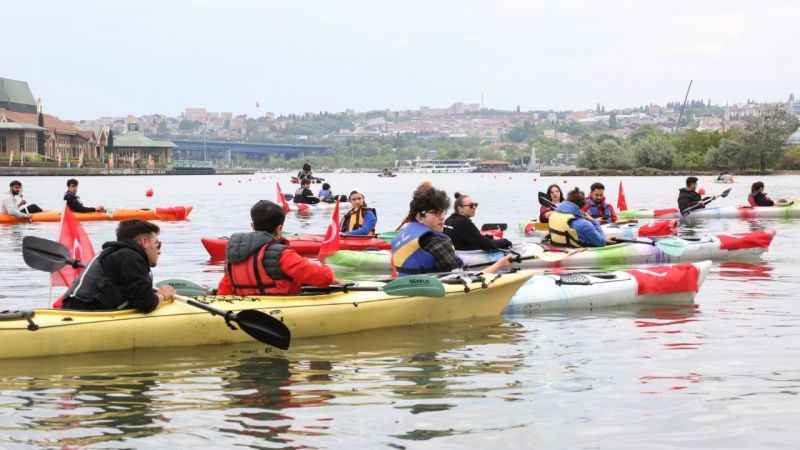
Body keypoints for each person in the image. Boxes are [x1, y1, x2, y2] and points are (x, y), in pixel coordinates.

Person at [216, 200, 336, 295]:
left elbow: (223, 291)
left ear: (252, 226)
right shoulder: (282, 254)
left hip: (244, 309)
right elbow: (325, 278)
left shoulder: (234, 255)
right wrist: (328, 270)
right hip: (280, 309)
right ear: (279, 229)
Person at [391, 185, 512, 276]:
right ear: (420, 216)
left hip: (405, 288)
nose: (442, 217)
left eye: (442, 212)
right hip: (429, 295)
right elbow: (464, 280)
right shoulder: (436, 241)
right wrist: (499, 265)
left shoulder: (404, 231)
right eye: (435, 213)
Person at [61, 220, 175, 312]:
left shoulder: (117, 253)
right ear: (144, 242)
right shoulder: (129, 256)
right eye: (157, 244)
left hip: (77, 310)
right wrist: (162, 295)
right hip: (83, 315)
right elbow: (146, 304)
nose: (159, 250)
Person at [445, 192, 512, 251]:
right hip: (470, 256)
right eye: (471, 206)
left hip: (457, 252)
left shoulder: (448, 220)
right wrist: (505, 241)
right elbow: (486, 245)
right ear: (460, 208)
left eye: (475, 205)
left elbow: (475, 236)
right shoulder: (464, 222)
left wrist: (491, 237)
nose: (474, 207)